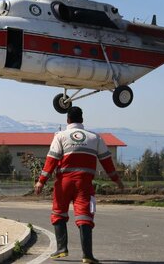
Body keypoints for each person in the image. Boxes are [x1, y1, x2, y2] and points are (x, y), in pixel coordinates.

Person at [34, 106, 124, 263]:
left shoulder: (60, 136)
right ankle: (87, 255)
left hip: (64, 183)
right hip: (84, 183)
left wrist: (41, 182)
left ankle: (62, 249)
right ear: (82, 120)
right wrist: (116, 180)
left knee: (59, 213)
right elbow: (107, 162)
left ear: (67, 120)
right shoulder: (95, 138)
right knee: (84, 216)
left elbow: (51, 160)